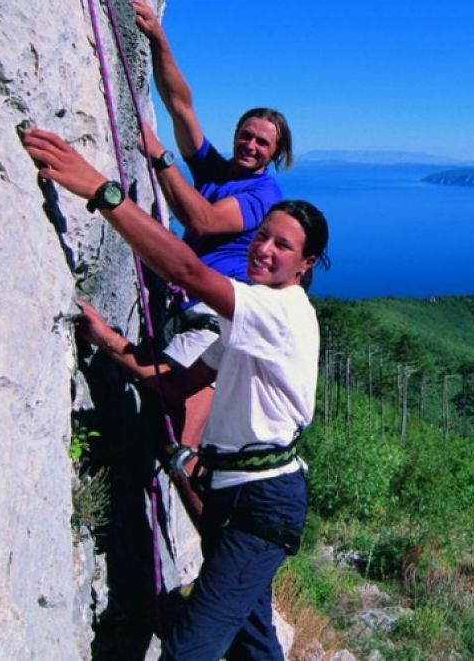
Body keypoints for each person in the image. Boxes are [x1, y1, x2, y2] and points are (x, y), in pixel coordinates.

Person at [23, 126, 328, 660]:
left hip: (261, 500)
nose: (265, 248)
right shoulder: (248, 320)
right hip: (233, 495)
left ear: (305, 266)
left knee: (187, 649)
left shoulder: (282, 312)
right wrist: (111, 342)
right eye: (262, 236)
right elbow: (177, 381)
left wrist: (100, 189)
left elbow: (187, 267)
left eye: (284, 246)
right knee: (251, 641)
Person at [131, 0, 294, 450]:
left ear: (275, 154)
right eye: (246, 136)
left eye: (263, 143)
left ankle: (190, 493)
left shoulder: (265, 195)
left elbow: (201, 221)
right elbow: (181, 105)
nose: (251, 145)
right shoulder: (216, 171)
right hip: (185, 308)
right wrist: (158, 38)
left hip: (210, 321)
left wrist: (160, 156)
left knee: (164, 412)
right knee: (161, 412)